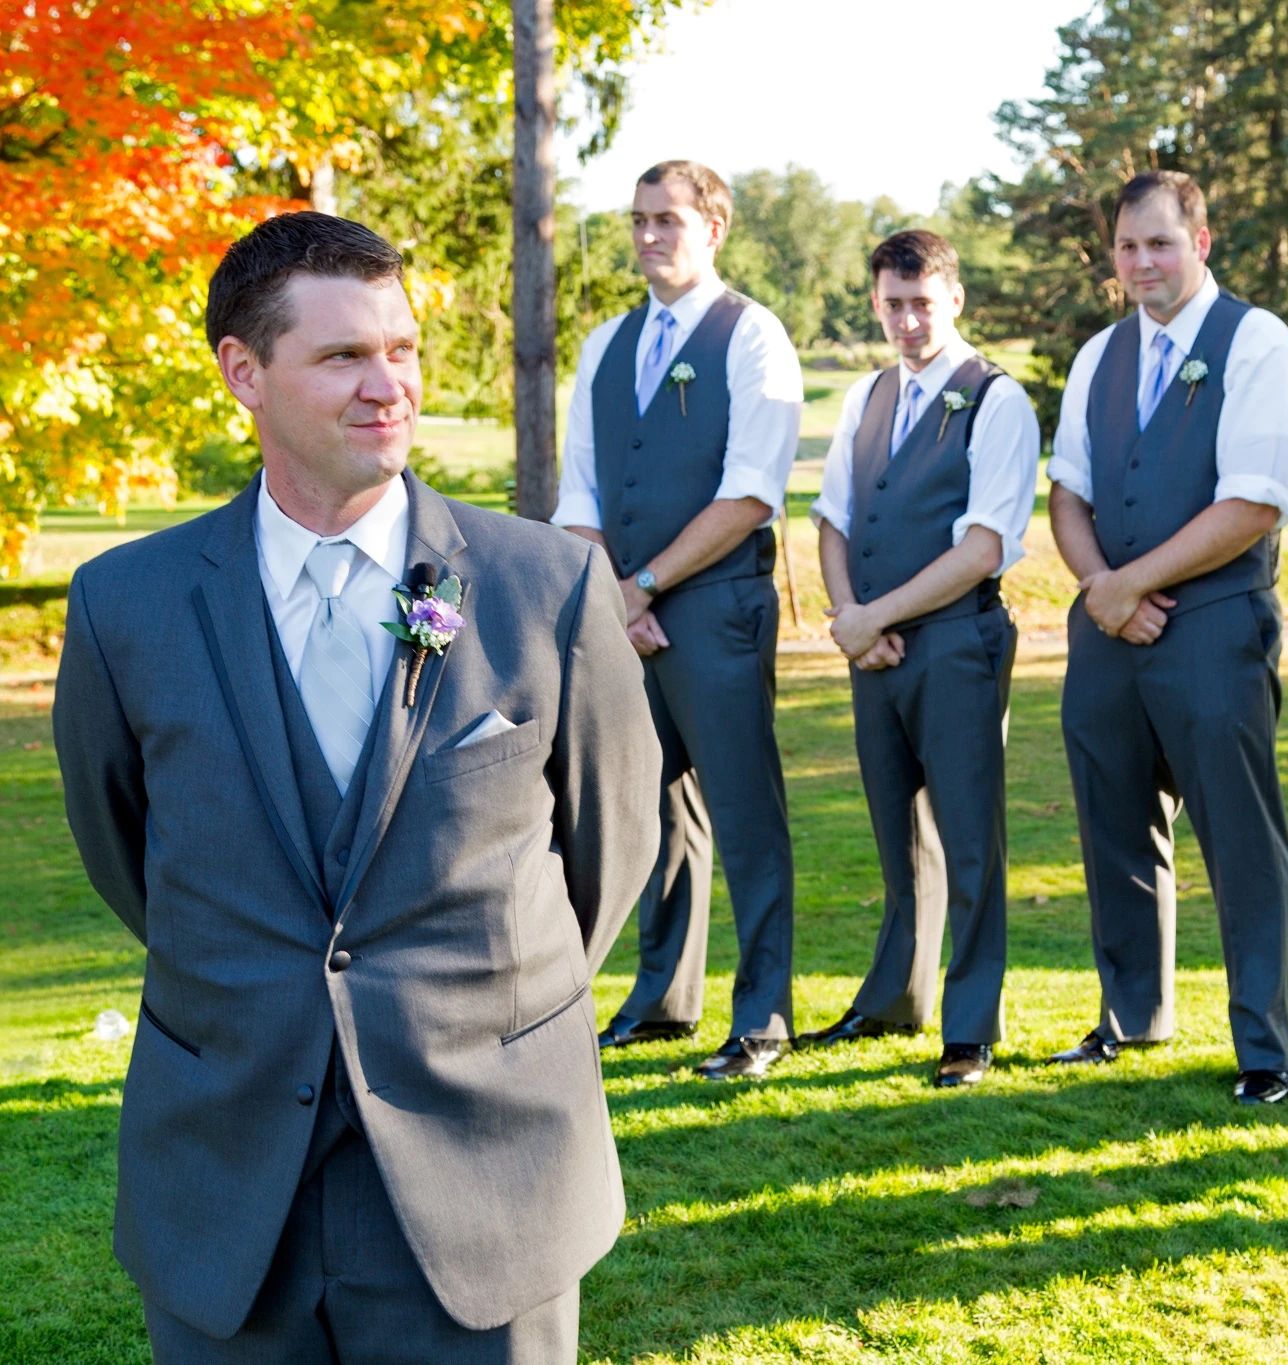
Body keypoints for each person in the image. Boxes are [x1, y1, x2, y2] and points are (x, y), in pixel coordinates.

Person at [53, 211, 660, 1359]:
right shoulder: (124, 605)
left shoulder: (551, 588)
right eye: (342, 357)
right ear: (244, 372)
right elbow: (125, 849)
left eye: (403, 349)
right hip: (227, 1184)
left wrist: (482, 1014)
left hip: (488, 1182)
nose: (389, 386)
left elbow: (609, 854)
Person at [1046, 170, 1288, 1105]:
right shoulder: (1099, 356)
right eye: (1127, 246)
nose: (1142, 262)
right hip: (1108, 627)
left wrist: (1131, 584)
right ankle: (1132, 1013)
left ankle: (1263, 1043)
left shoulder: (1258, 344)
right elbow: (1067, 492)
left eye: (1159, 242)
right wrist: (1098, 590)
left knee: (1239, 835)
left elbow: (1252, 502)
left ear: (1201, 241)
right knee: (1112, 822)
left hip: (1213, 624)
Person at [553, 159, 805, 1080]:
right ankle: (663, 998)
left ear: (715, 226)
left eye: (668, 218)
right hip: (622, 612)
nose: (650, 234)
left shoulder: (754, 336)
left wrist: (643, 584)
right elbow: (577, 487)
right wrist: (611, 594)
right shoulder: (605, 345)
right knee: (650, 811)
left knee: (744, 814)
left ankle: (764, 1016)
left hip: (717, 609)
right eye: (638, 219)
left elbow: (750, 492)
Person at [798, 230, 1041, 1088]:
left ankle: (971, 1025)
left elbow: (982, 548)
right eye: (892, 304)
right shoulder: (867, 396)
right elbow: (832, 521)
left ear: (955, 300)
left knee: (971, 838)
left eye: (922, 304)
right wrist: (849, 620)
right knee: (896, 834)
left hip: (957, 643)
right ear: (876, 303)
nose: (906, 321)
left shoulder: (995, 400)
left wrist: (874, 617)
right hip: (875, 647)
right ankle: (896, 996)